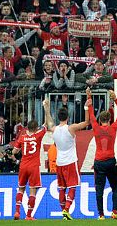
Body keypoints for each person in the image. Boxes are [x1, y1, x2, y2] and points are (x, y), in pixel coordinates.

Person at [49, 91, 91, 220]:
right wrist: (86, 107)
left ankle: (63, 212)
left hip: (59, 162)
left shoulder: (54, 129)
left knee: (61, 188)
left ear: (58, 117)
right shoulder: (71, 128)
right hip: (70, 161)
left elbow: (49, 122)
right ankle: (66, 210)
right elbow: (86, 122)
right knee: (72, 186)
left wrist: (46, 109)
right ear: (68, 116)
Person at [12, 100, 53, 220]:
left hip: (23, 165)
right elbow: (47, 124)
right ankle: (29, 216)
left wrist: (19, 150)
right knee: (32, 191)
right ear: (35, 129)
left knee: (21, 189)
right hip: (34, 166)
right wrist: (46, 108)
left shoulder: (22, 137)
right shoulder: (38, 135)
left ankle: (17, 212)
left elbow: (14, 151)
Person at [87, 88, 117, 220]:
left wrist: (89, 96)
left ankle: (101, 215)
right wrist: (115, 99)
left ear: (100, 119)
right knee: (115, 187)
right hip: (110, 161)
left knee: (99, 189)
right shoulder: (113, 128)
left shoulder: (96, 128)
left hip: (99, 162)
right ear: (109, 119)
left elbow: (91, 114)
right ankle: (114, 212)